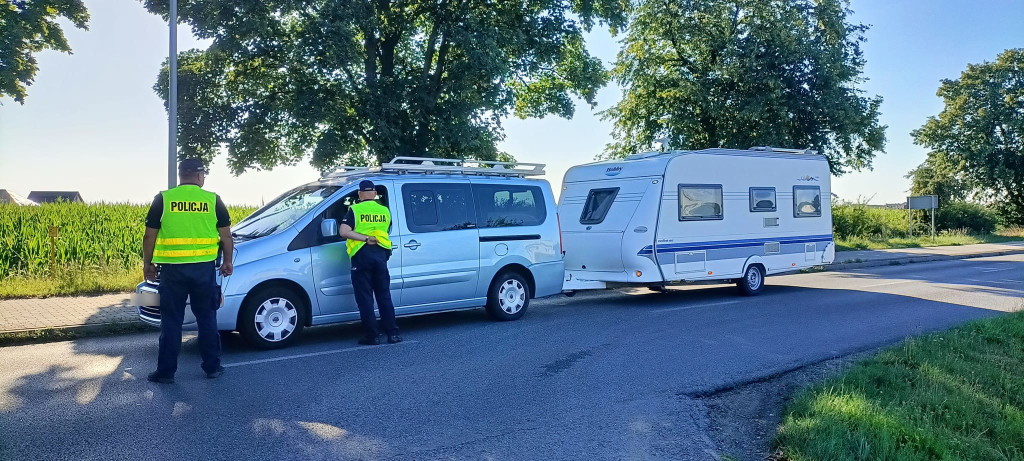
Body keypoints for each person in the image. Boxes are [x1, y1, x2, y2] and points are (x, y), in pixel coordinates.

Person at [142, 158, 234, 384]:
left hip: (172, 272)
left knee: (171, 320)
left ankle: (165, 373)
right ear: (199, 175)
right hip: (203, 270)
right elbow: (226, 236)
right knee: (206, 318)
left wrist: (148, 264)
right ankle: (212, 367)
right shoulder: (213, 200)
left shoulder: (163, 199)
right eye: (204, 175)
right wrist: (228, 262)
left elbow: (149, 236)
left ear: (181, 175)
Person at [339, 180, 402, 345]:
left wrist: (366, 238)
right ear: (374, 194)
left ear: (359, 194)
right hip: (381, 255)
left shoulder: (355, 209)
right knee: (384, 296)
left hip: (362, 256)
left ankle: (372, 336)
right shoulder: (384, 211)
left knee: (365, 298)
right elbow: (386, 230)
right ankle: (393, 334)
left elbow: (344, 231)